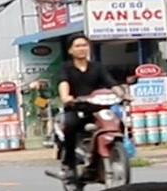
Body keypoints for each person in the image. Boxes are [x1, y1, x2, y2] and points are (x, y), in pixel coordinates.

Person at [48, 35, 123, 179]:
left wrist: (122, 94)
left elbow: (111, 83)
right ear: (70, 50)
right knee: (71, 125)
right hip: (76, 108)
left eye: (84, 45)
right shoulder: (66, 67)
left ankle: (114, 153)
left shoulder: (97, 67)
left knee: (116, 122)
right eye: (77, 46)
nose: (82, 48)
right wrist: (66, 97)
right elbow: (63, 82)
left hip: (97, 108)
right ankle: (69, 165)